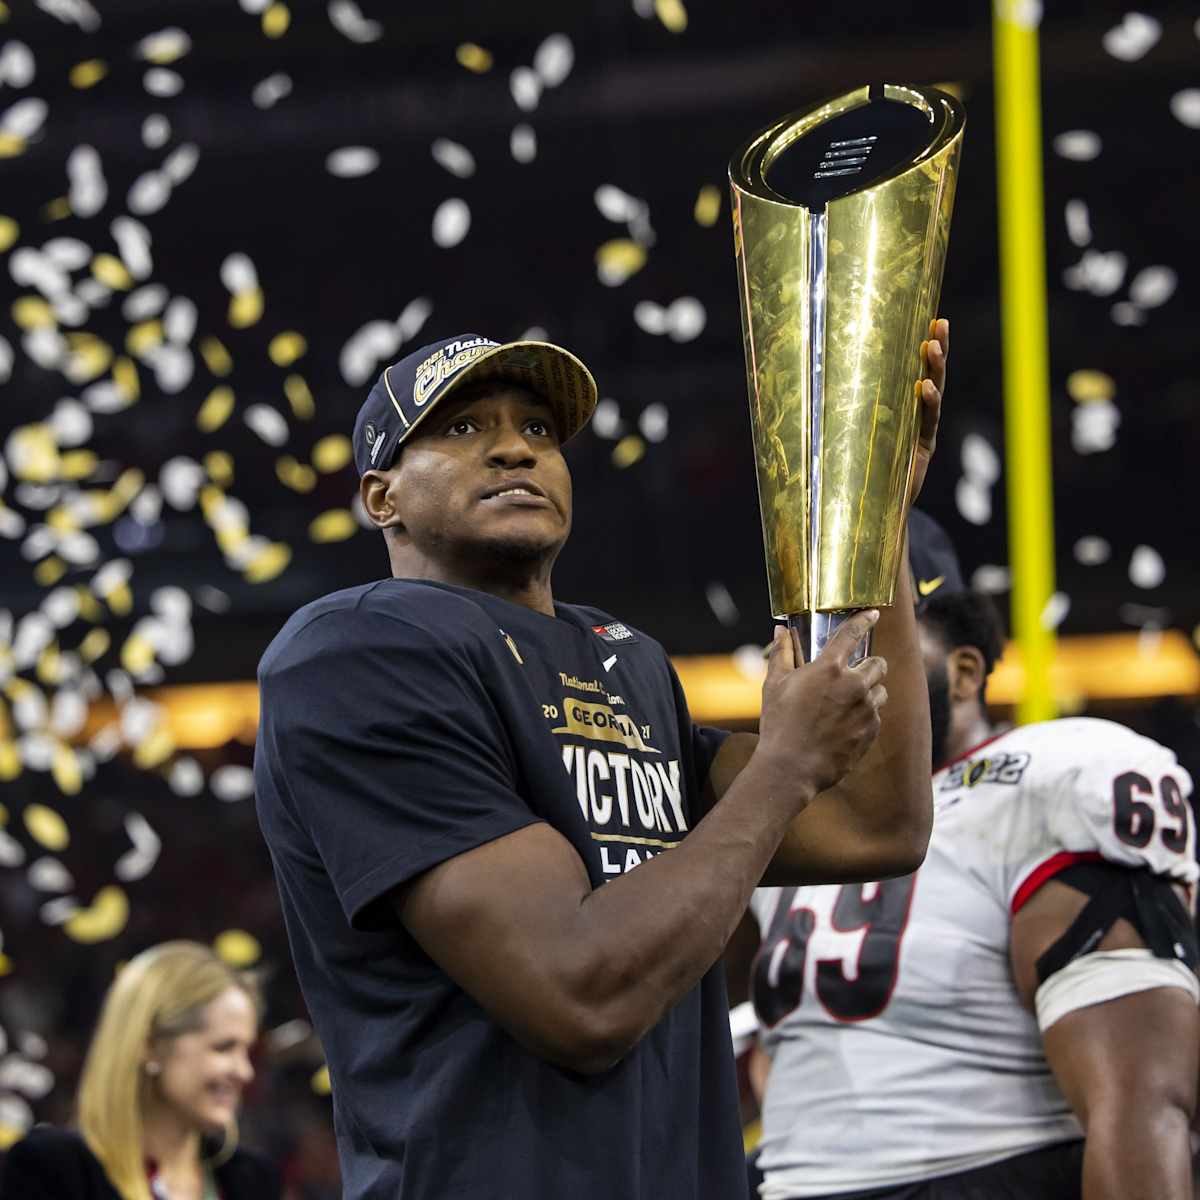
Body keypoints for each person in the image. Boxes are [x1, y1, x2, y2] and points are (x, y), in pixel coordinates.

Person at [253, 324, 950, 1199]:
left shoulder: (626, 659)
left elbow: (876, 825)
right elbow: (578, 998)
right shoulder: (357, 651)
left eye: (539, 431)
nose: (514, 447)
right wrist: (782, 769)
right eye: (463, 428)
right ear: (381, 496)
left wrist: (875, 519)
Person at [734, 559, 1199, 1200]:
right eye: (819, 637)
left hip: (980, 1173)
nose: (836, 662)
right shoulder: (797, 819)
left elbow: (1141, 1103)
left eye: (873, 636)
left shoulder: (1043, 781)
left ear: (963, 671)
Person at [1, 940, 280, 1200]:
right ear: (150, 1044)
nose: (245, 1072)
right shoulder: (50, 1169)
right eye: (223, 1047)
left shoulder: (253, 1180)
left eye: (247, 1051)